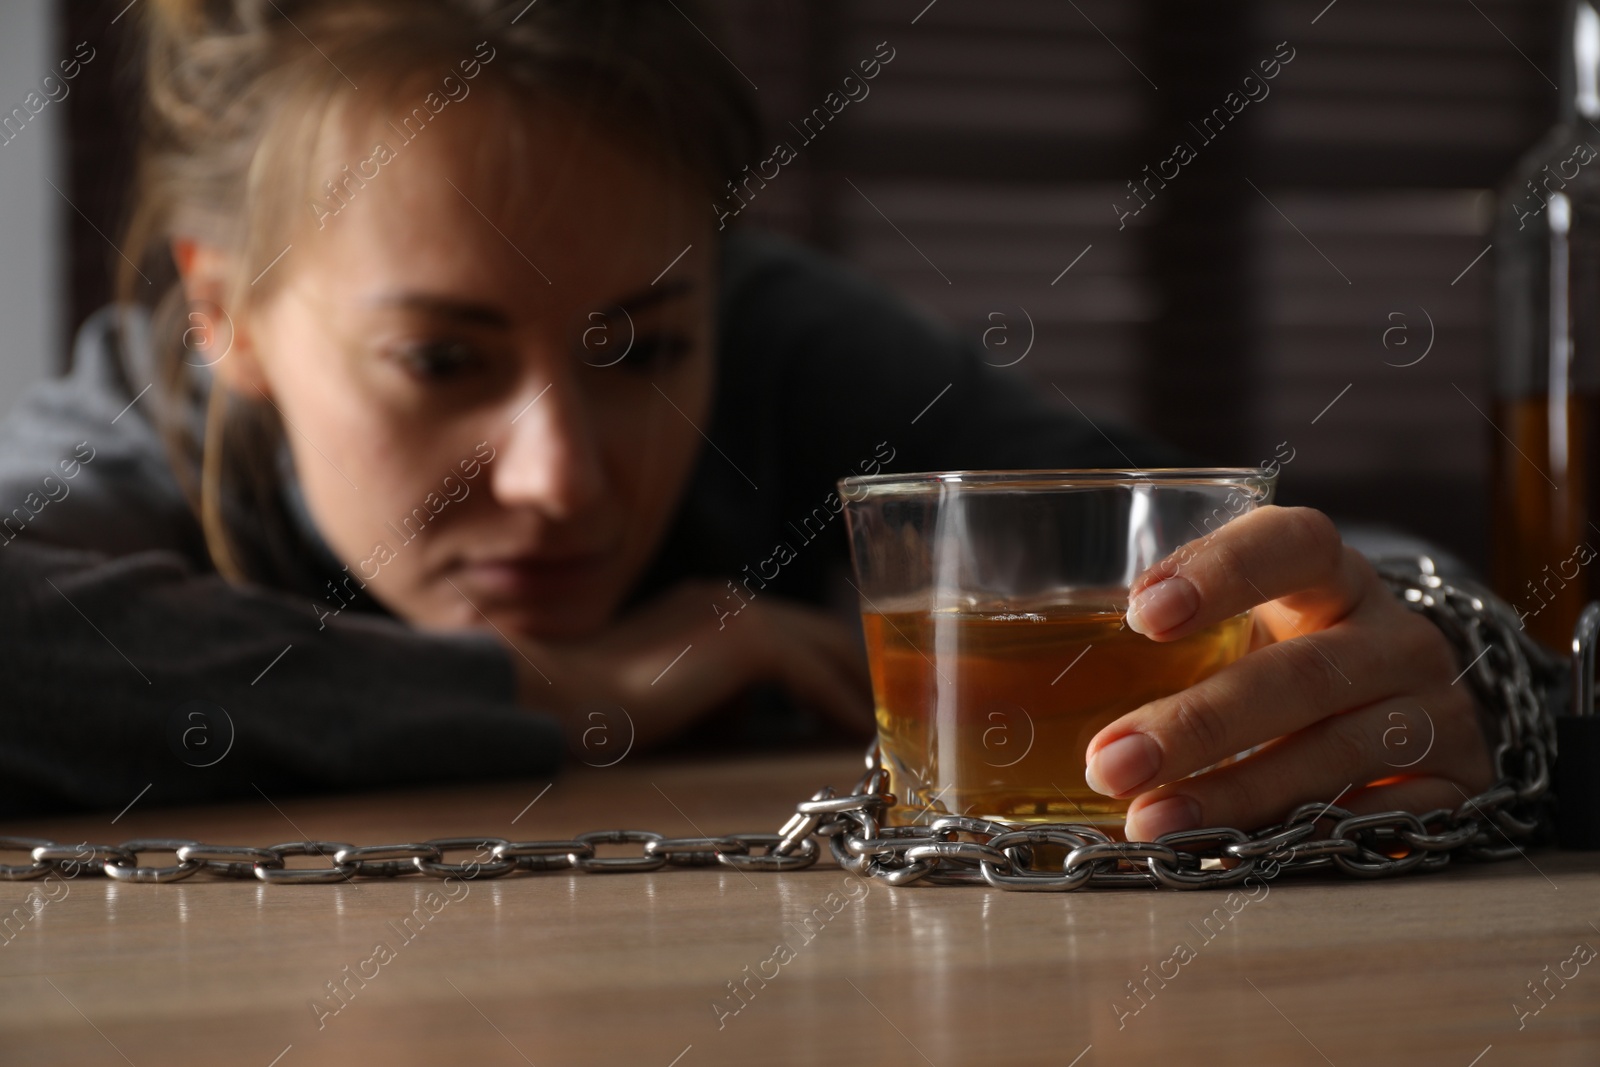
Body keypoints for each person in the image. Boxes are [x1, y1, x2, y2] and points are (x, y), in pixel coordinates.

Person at [0, 0, 1498, 839]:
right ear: (223, 315)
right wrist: (579, 687)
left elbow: (1241, 550)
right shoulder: (138, 439)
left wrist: (1425, 655)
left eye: (641, 351)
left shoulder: (789, 342)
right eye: (443, 364)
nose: (562, 478)